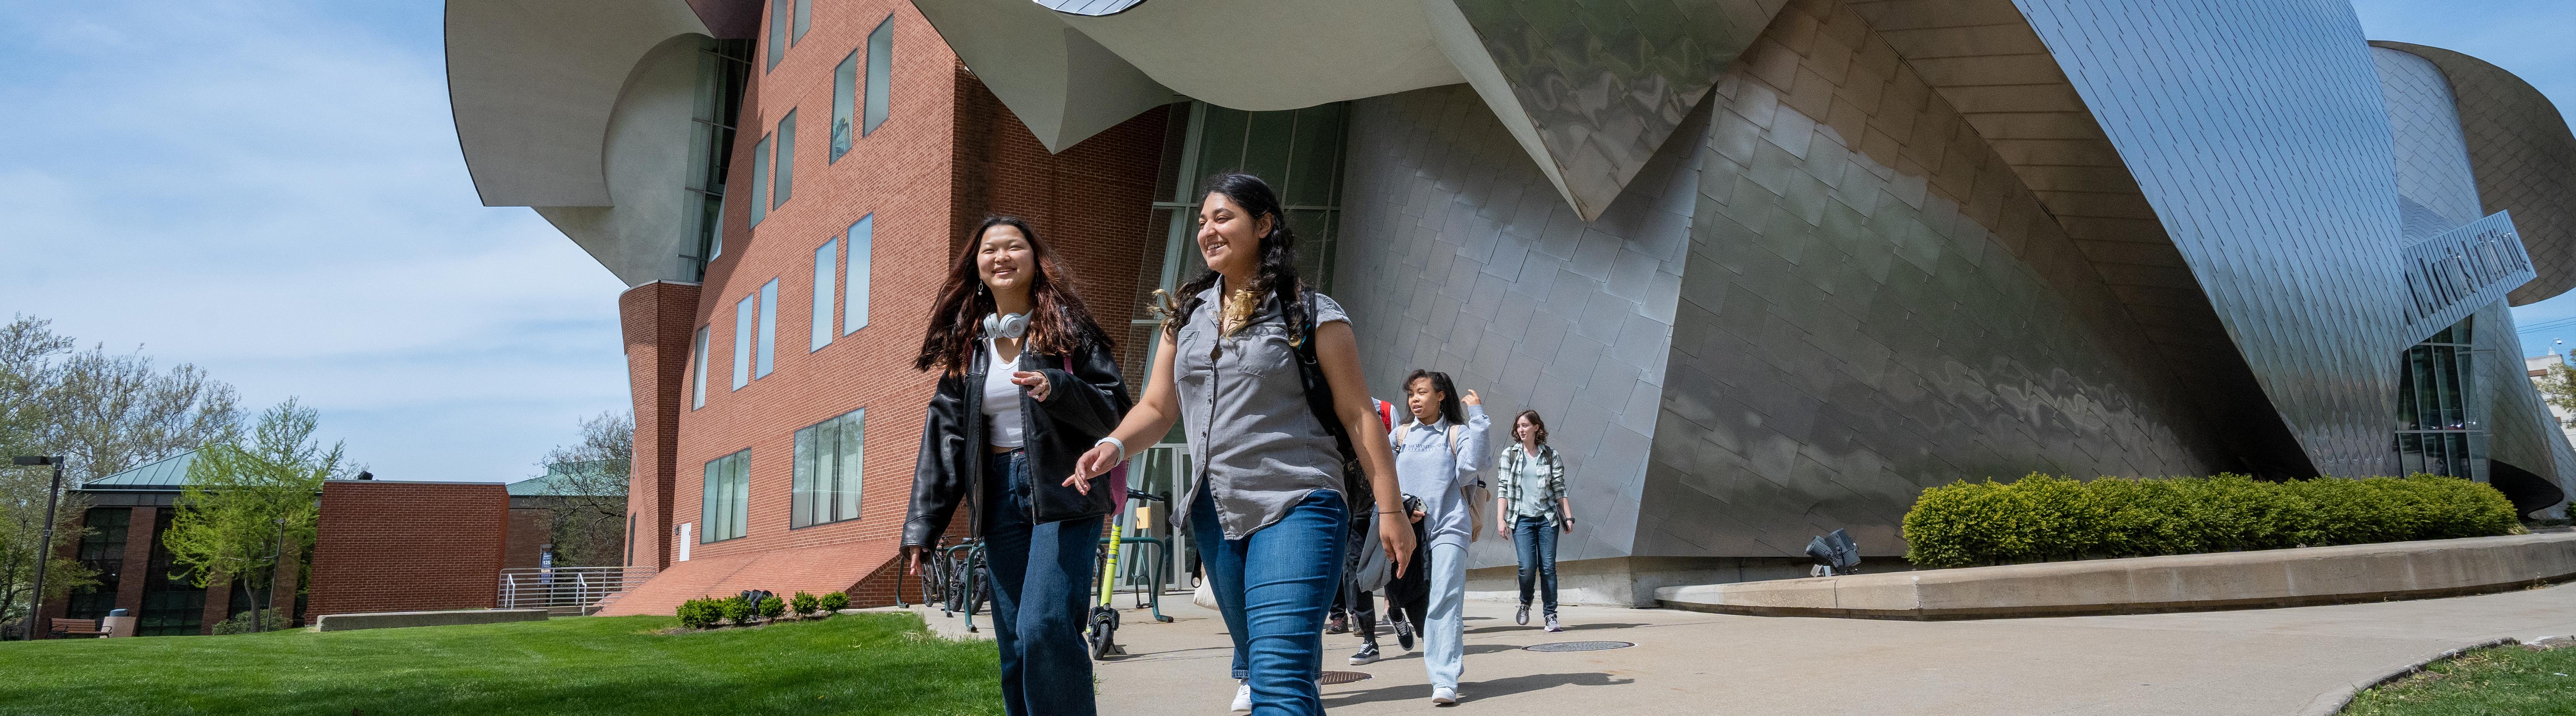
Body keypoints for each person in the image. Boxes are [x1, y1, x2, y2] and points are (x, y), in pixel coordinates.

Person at [1071, 172, 1415, 716]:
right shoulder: (1185, 319)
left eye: (1223, 217)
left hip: (1298, 502)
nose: (1208, 230)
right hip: (1216, 513)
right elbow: (1159, 410)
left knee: (1276, 680)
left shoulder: (1313, 313)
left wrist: (1391, 509)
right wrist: (1113, 445)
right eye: (1203, 221)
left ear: (1264, 225)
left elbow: (1358, 416)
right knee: (1274, 671)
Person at [901, 216, 1133, 716]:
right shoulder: (971, 348)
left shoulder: (1069, 331)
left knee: (1045, 625)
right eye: (990, 250)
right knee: (1016, 647)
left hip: (1065, 484)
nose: (1001, 257)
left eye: (1014, 247)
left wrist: (1061, 388)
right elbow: (945, 438)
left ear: (1035, 260)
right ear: (977, 267)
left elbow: (1118, 410)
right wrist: (923, 526)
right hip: (1001, 493)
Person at [1390, 370, 1489, 705]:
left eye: (1421, 392)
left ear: (1441, 396)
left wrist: (1479, 417)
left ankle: (1443, 678)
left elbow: (1472, 466)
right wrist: (1400, 507)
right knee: (1410, 597)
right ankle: (1446, 656)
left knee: (1446, 597)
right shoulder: (1400, 435)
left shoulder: (1457, 432)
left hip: (1449, 525)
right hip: (1407, 530)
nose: (1414, 400)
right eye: (1411, 394)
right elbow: (1380, 476)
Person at [1496, 409, 1573, 632]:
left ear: (1536, 428)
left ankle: (1551, 615)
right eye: (1519, 426)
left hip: (1548, 518)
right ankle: (1525, 602)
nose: (1522, 430)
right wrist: (1501, 520)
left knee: (1548, 568)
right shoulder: (1509, 455)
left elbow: (1559, 489)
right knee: (1527, 567)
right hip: (1522, 520)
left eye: (1526, 426)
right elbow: (1503, 489)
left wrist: (1568, 517)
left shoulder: (1551, 455)